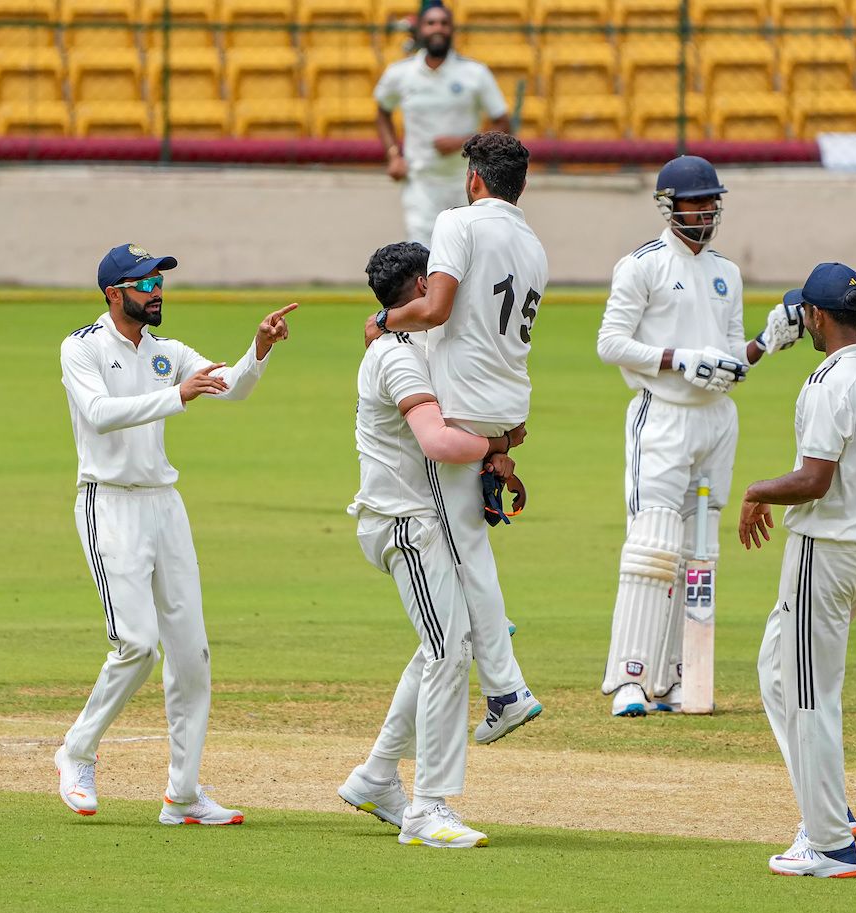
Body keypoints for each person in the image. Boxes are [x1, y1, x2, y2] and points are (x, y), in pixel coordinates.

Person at [54, 243, 297, 826]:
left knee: (191, 655)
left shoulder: (168, 352)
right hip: (108, 503)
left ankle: (183, 795)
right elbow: (99, 414)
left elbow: (231, 385)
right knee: (136, 644)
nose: (156, 291)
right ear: (114, 294)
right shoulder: (80, 347)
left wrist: (257, 349)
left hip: (166, 506)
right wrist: (175, 396)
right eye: (144, 283)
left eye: (159, 281)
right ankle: (77, 751)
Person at [595, 154, 805, 717]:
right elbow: (610, 343)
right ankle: (632, 680)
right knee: (653, 544)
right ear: (669, 206)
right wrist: (677, 359)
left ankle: (683, 676)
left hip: (717, 423)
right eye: (697, 201)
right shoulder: (640, 266)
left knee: (698, 552)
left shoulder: (726, 273)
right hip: (662, 416)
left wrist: (765, 344)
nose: (707, 210)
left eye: (713, 201)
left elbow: (731, 357)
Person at [341, 241, 525, 848]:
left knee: (439, 648)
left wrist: (497, 447)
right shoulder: (396, 358)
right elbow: (438, 443)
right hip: (406, 526)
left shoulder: (415, 344)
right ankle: (430, 808)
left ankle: (374, 777)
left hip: (429, 518)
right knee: (448, 651)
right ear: (423, 284)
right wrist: (495, 448)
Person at [364, 131, 544, 744]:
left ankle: (505, 688)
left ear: (474, 179)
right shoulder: (533, 243)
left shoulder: (457, 222)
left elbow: (436, 307)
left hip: (461, 405)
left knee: (466, 557)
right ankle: (496, 669)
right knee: (472, 555)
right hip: (508, 406)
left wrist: (384, 321)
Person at [741, 262, 856, 878]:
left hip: (826, 549)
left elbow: (815, 479)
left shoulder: (829, 381)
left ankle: (831, 844)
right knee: (775, 671)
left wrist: (757, 490)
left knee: (809, 693)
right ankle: (828, 804)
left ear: (814, 317)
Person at [374, 1, 511, 247]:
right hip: (420, 181)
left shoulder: (475, 73)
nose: (438, 28)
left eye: (444, 23)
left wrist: (463, 142)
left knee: (469, 250)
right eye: (431, 23)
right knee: (422, 252)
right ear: (419, 30)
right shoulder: (400, 73)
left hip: (469, 181)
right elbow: (382, 112)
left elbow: (502, 121)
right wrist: (394, 155)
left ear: (452, 30)